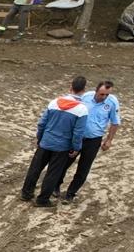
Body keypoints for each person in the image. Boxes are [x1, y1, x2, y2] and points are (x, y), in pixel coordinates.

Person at [21, 75, 88, 208]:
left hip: (46, 141)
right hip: (62, 146)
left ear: (71, 87)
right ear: (83, 90)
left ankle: (26, 193)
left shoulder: (54, 102)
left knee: (35, 168)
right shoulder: (82, 110)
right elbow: (78, 132)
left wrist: (40, 138)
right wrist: (76, 147)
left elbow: (42, 123)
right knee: (53, 172)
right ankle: (43, 199)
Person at [56, 80, 121, 203]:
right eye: (102, 94)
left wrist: (109, 140)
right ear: (96, 91)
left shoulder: (112, 102)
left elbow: (115, 122)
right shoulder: (85, 97)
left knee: (84, 168)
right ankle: (56, 186)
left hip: (94, 140)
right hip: (77, 137)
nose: (104, 97)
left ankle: (70, 193)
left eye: (107, 94)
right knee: (65, 162)